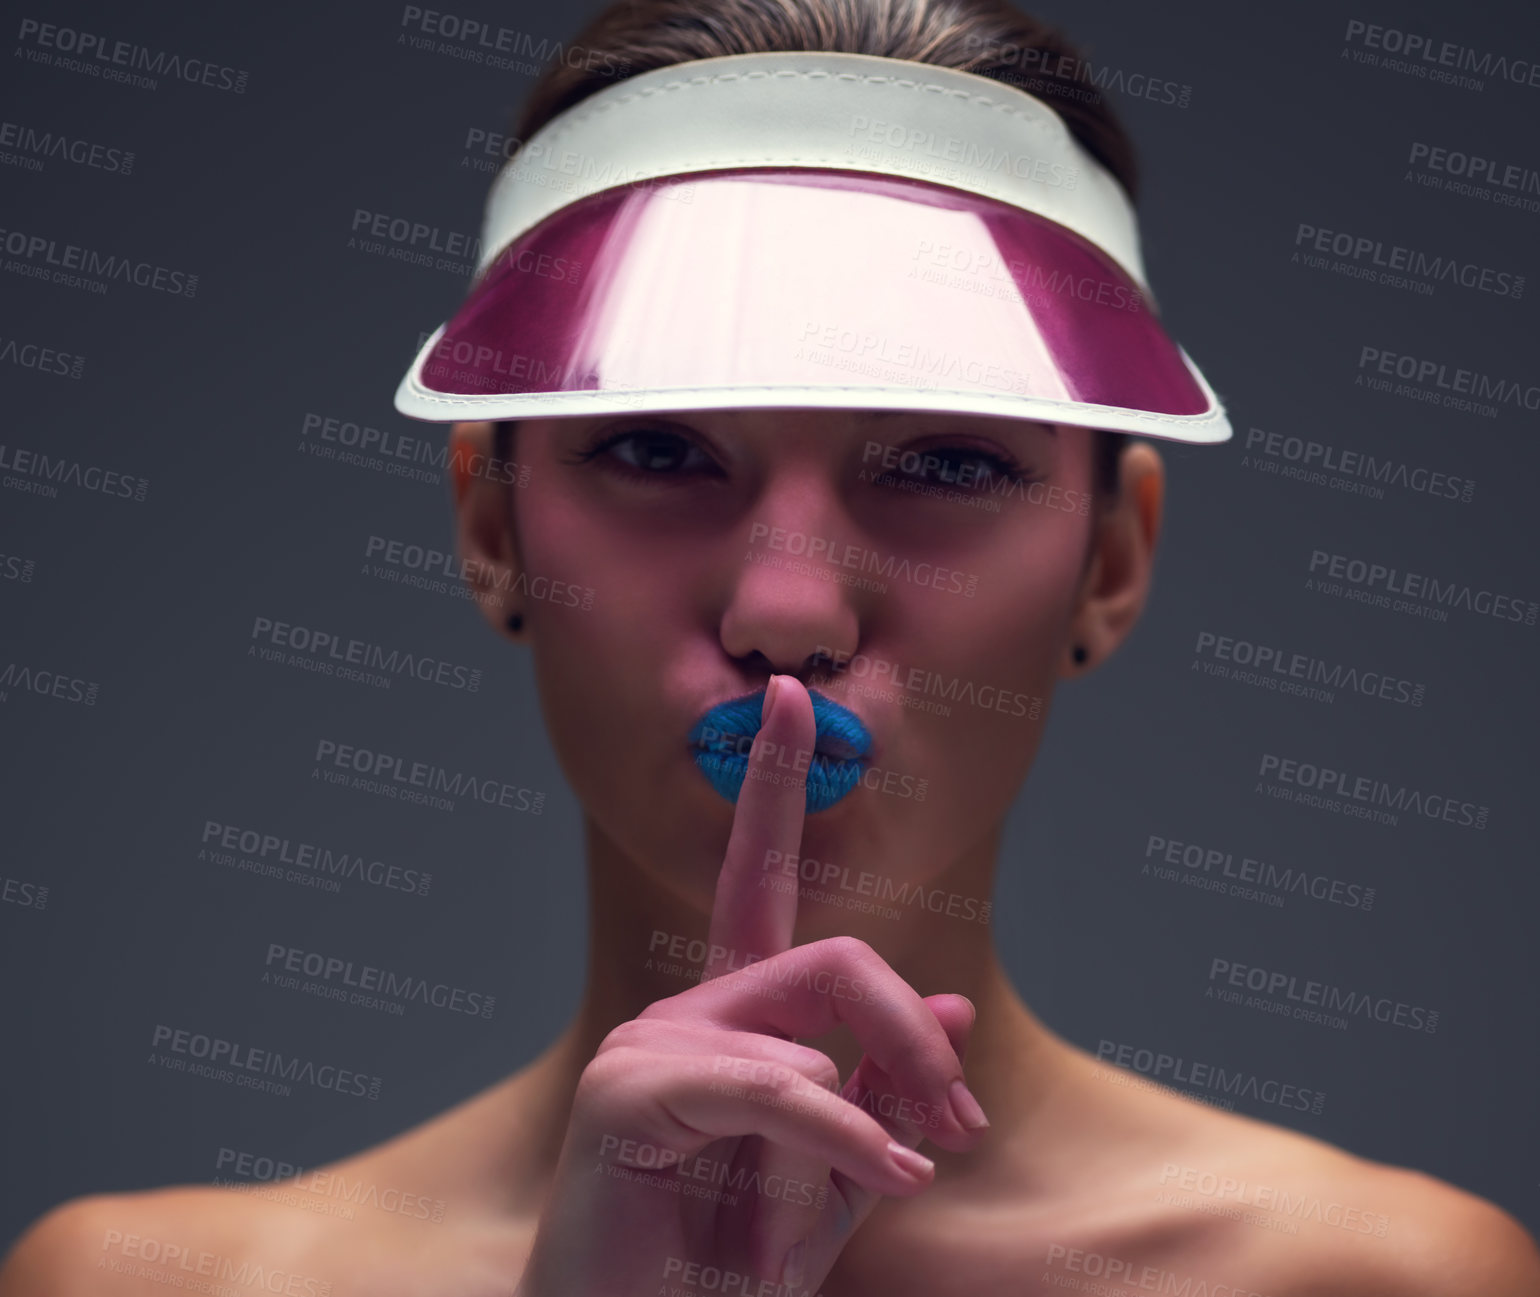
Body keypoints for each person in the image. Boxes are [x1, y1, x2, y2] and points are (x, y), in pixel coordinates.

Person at [4, 2, 1537, 1295]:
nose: (790, 614)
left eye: (942, 463)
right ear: (490, 526)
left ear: (1112, 555)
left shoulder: (1384, 1277)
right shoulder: (149, 1283)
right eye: (660, 448)